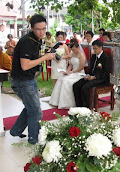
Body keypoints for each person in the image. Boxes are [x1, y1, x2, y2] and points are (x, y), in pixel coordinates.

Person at [9, 14, 55, 144]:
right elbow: (25, 65)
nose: (42, 32)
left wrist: (43, 55)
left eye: (44, 28)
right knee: (36, 111)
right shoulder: (27, 41)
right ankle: (34, 138)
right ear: (31, 28)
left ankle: (16, 130)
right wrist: (45, 58)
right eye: (38, 29)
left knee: (31, 107)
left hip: (26, 79)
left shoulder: (35, 39)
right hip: (22, 80)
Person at [73, 40, 111, 108]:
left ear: (101, 48)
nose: (94, 50)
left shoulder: (105, 58)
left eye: (95, 48)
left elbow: (106, 73)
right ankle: (79, 106)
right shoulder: (93, 57)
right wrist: (87, 75)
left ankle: (87, 107)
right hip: (91, 76)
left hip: (101, 79)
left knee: (85, 87)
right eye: (93, 48)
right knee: (76, 85)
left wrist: (94, 77)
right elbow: (91, 69)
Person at [49, 41, 86, 109]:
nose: (72, 51)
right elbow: (70, 65)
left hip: (79, 73)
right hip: (73, 72)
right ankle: (57, 101)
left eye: (74, 49)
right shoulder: (72, 54)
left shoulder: (81, 55)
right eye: (71, 49)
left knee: (66, 81)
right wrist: (67, 71)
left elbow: (81, 67)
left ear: (78, 48)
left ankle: (67, 102)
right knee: (61, 78)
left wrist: (73, 72)